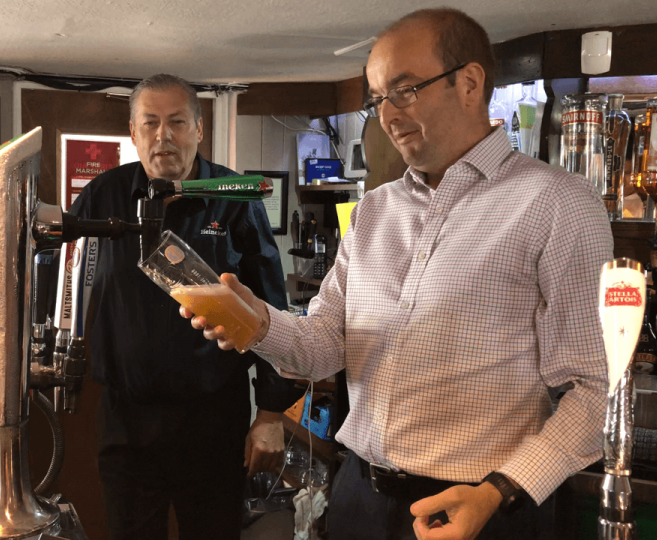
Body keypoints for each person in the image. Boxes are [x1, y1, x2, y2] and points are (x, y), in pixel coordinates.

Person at [184, 9, 613, 540]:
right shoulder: (373, 211)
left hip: (482, 506)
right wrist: (260, 324)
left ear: (470, 83)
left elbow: (596, 387)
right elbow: (324, 346)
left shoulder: (558, 203)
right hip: (359, 497)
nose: (386, 116)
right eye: (376, 98)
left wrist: (499, 491)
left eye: (404, 90)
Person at [69, 73, 300, 539]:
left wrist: (272, 414)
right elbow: (72, 286)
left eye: (177, 122)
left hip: (212, 421)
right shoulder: (103, 195)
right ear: (133, 133)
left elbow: (273, 311)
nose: (163, 136)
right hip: (126, 420)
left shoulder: (234, 199)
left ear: (199, 129)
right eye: (150, 123)